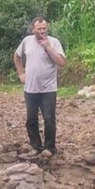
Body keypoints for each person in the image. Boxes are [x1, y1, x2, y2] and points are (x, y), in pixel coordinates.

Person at [14, 16, 66, 155]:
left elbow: (61, 62)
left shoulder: (54, 42)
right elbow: (17, 56)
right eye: (39, 29)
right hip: (30, 88)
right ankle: (36, 146)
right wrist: (21, 73)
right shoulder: (27, 41)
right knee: (31, 119)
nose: (42, 31)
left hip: (48, 88)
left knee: (49, 118)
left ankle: (49, 147)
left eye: (44, 28)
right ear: (33, 29)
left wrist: (48, 47)